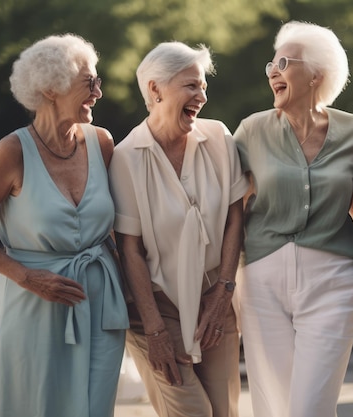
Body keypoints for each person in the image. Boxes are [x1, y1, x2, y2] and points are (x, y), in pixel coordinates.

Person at [0, 34, 129, 417]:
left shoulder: (102, 143)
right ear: (51, 87)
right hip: (33, 302)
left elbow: (119, 231)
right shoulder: (10, 152)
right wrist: (26, 277)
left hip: (102, 303)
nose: (98, 92)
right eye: (90, 82)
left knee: (96, 407)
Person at [233, 21, 353, 417]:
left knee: (311, 406)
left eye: (283, 62)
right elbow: (229, 209)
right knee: (272, 404)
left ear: (316, 75)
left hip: (333, 281)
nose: (273, 71)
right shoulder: (251, 131)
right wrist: (224, 280)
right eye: (271, 66)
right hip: (261, 282)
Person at [108, 41, 248, 417]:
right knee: (192, 412)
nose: (202, 95)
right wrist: (154, 332)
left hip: (215, 300)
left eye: (203, 86)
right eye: (191, 86)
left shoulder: (219, 137)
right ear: (155, 89)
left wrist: (224, 290)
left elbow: (237, 216)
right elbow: (130, 250)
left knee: (224, 411)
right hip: (155, 308)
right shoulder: (125, 157)